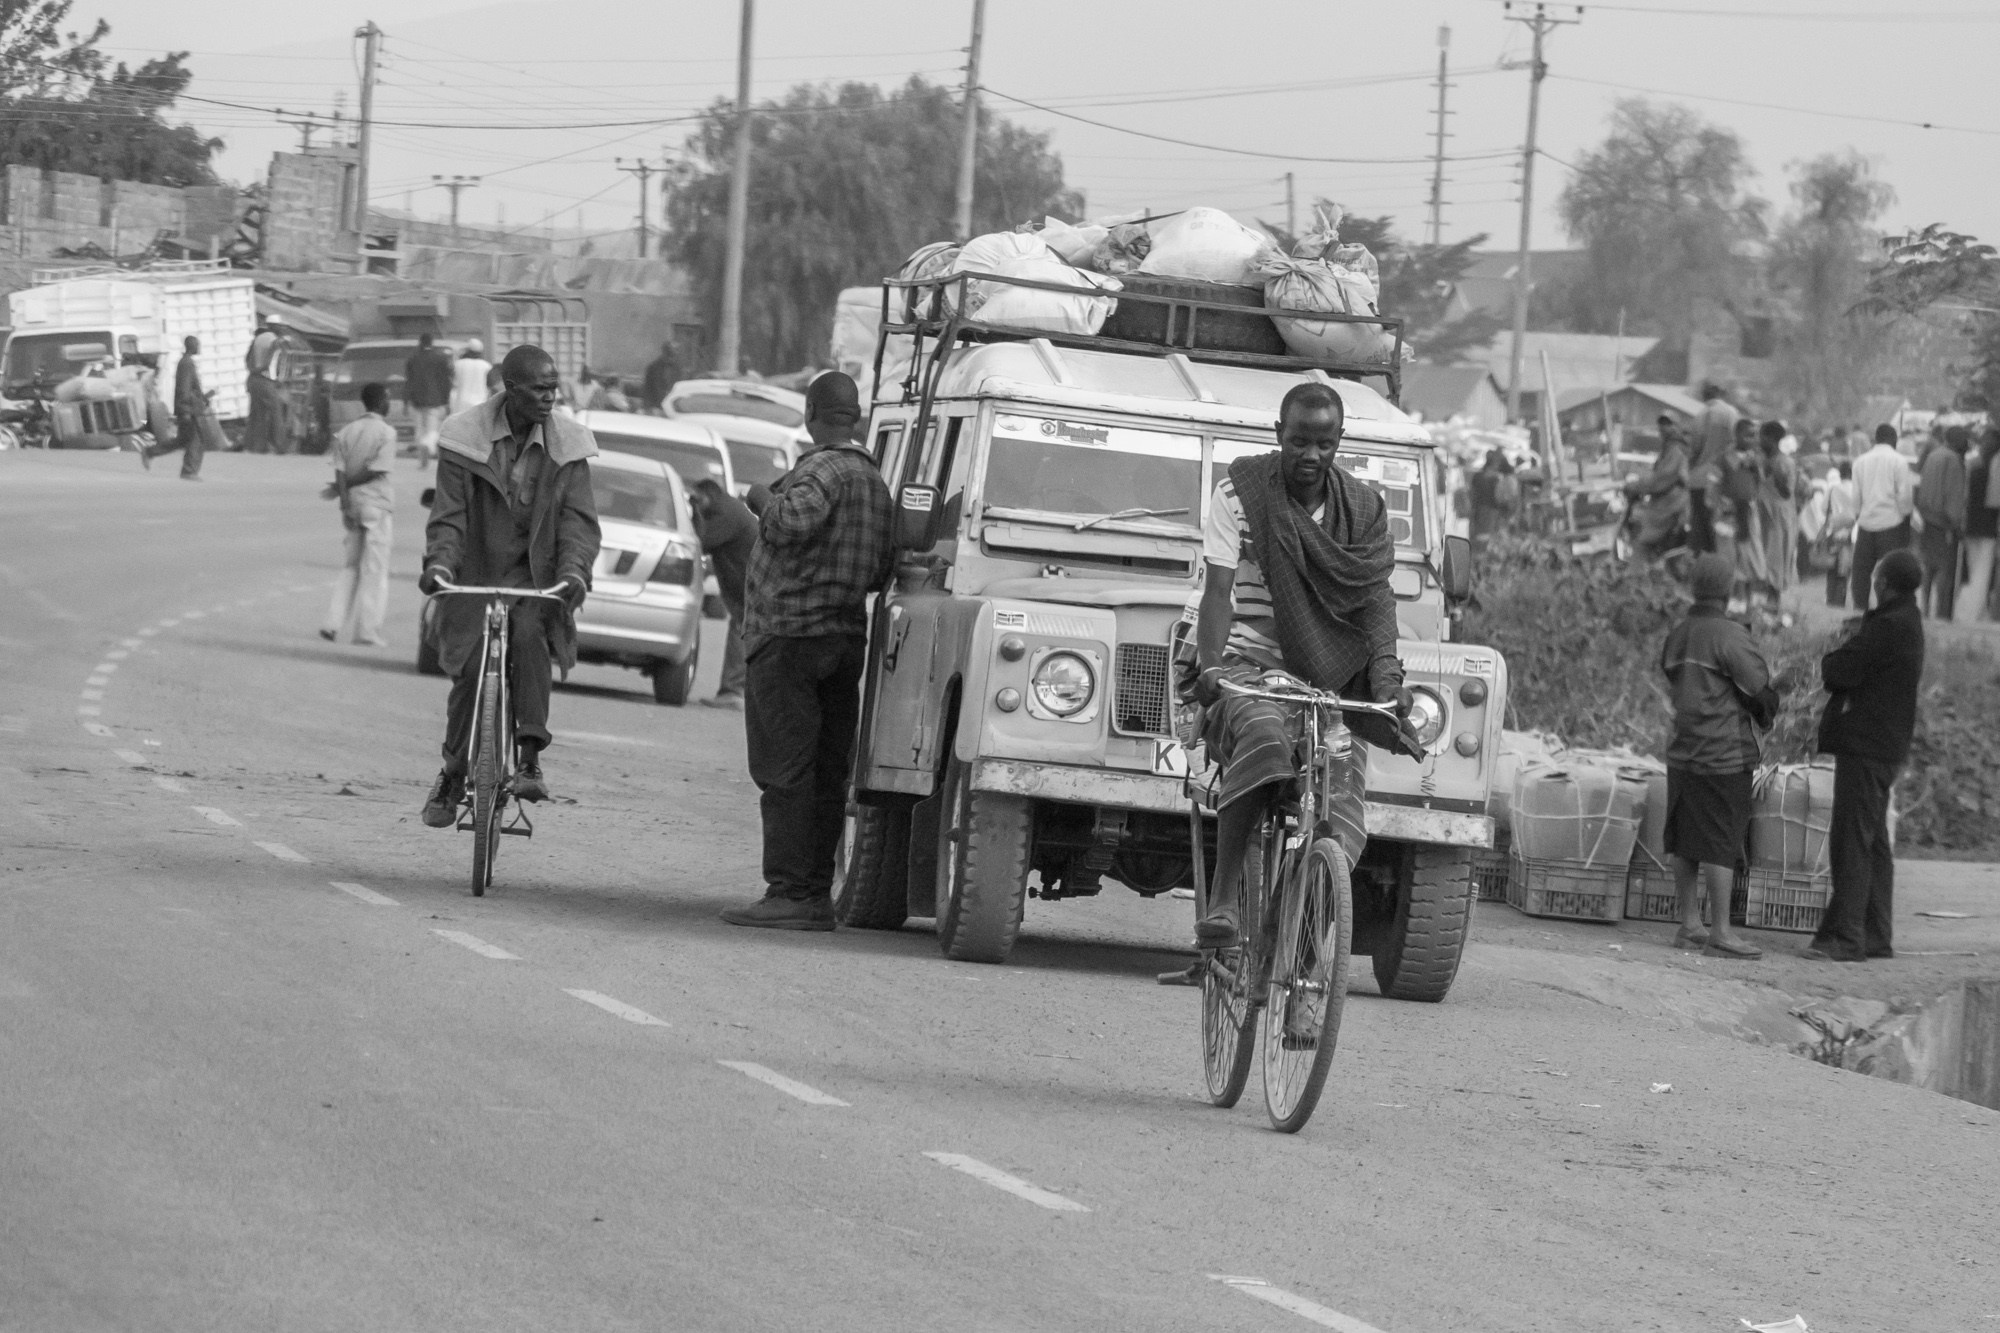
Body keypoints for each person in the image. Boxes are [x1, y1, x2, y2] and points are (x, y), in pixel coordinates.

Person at [1187, 383, 1418, 952]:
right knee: (1263, 737)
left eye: (1324, 443)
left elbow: (1376, 604)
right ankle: (1223, 900)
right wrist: (1211, 667)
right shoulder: (1239, 494)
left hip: (1328, 678)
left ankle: (1300, 949)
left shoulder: (1363, 510)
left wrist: (1387, 682)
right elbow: (1217, 593)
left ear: (1340, 442)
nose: (1311, 455)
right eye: (1298, 442)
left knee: (1343, 815)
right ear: (1279, 435)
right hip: (1248, 664)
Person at [719, 372, 894, 930]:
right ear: (856, 415)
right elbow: (882, 567)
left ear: (811, 411)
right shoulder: (875, 481)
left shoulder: (821, 470)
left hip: (791, 638)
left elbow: (789, 522)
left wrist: (759, 496)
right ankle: (815, 893)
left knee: (785, 769)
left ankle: (790, 893)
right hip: (843, 639)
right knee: (824, 770)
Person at [418, 346, 601, 826]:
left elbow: (578, 524)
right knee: (471, 670)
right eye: (539, 389)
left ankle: (530, 759)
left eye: (553, 388)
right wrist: (440, 566)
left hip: (534, 578)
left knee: (529, 637)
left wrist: (574, 572)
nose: (550, 398)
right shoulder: (464, 438)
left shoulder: (569, 446)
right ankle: (452, 773)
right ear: (510, 388)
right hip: (474, 573)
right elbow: (449, 517)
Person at [1805, 549, 1924, 963]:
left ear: (1884, 584)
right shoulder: (1907, 621)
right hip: (1886, 745)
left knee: (1852, 840)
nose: (1873, 584)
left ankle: (1846, 937)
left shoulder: (1888, 626)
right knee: (1873, 842)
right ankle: (1875, 933)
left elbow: (1839, 671)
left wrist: (1840, 648)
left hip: (1867, 746)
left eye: (1875, 578)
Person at [1659, 553, 1775, 959]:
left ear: (1694, 588)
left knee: (1685, 839)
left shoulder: (1678, 634)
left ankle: (1690, 924)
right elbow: (1758, 687)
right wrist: (1769, 709)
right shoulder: (1730, 636)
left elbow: (1673, 676)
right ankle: (1722, 932)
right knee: (1721, 841)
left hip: (1683, 750)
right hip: (1723, 753)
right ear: (1728, 591)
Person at [319, 382, 397, 646]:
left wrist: (342, 497)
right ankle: (367, 630)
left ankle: (332, 624)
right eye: (387, 398)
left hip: (353, 505)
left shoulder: (347, 431)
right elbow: (376, 471)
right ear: (381, 401)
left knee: (350, 566)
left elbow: (339, 471)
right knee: (375, 570)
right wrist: (346, 486)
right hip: (376, 505)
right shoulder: (387, 433)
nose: (389, 403)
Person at [689, 477, 756, 709]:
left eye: (698, 499)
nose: (695, 503)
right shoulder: (725, 508)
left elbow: (702, 541)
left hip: (749, 582)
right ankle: (736, 689)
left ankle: (733, 690)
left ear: (710, 495)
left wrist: (696, 512)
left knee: (740, 630)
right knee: (742, 630)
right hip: (746, 581)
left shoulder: (726, 514)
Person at [1849, 424, 1916, 610]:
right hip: (1891, 524)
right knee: (1891, 573)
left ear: (1875, 440)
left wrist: (1859, 515)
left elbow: (1855, 497)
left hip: (1866, 524)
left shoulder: (1860, 462)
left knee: (1861, 572)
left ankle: (1860, 609)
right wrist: (1905, 516)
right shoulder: (1899, 462)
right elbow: (1904, 497)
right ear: (1894, 440)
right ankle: (1888, 609)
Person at [138, 335, 211, 480]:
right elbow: (184, 389)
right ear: (191, 346)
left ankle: (151, 452)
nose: (199, 347)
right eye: (197, 344)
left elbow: (191, 388)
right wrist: (186, 410)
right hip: (188, 410)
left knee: (182, 440)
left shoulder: (186, 362)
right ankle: (189, 471)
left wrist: (204, 398)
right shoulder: (187, 364)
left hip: (188, 408)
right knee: (196, 440)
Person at [1915, 424, 1970, 619]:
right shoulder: (1953, 460)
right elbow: (1954, 496)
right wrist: (1957, 526)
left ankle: (1925, 608)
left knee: (1928, 567)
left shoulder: (1934, 455)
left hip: (1927, 519)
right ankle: (1941, 614)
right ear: (1959, 441)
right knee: (1944, 571)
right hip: (1944, 523)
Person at [1622, 415, 1689, 560]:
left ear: (1676, 426)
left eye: (1668, 424)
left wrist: (1636, 486)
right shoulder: (1668, 448)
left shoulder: (1676, 450)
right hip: (1667, 501)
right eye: (1662, 424)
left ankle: (1639, 567)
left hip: (1671, 503)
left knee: (1643, 541)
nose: (1664, 428)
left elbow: (1661, 479)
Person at [1687, 383, 1739, 554]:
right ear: (1721, 393)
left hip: (1700, 481)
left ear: (1704, 395)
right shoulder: (1732, 414)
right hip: (1724, 481)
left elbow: (1694, 450)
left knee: (1700, 531)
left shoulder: (1700, 415)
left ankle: (1701, 564)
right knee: (1722, 531)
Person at [1955, 427, 2000, 624]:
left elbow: (1963, 496)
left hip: (1971, 525)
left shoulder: (1972, 465)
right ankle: (1973, 613)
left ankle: (1970, 611)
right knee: (1982, 572)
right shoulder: (1995, 465)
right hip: (1988, 528)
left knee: (1974, 569)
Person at [403, 333, 454, 466]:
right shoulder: (441, 358)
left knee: (419, 428)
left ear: (420, 342)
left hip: (416, 399)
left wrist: (405, 402)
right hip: (435, 400)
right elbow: (446, 381)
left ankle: (422, 456)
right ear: (432, 343)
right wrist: (447, 401)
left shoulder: (412, 359)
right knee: (432, 429)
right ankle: (428, 446)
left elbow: (408, 381)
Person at [243, 315, 288, 454]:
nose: (282, 328)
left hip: (253, 380)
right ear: (274, 326)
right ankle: (279, 447)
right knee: (276, 414)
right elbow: (273, 363)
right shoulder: (275, 341)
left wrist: (254, 370)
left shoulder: (257, 339)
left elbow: (247, 359)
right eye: (280, 326)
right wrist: (278, 380)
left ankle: (254, 447)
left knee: (257, 414)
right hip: (266, 381)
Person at [1467, 446, 1519, 548]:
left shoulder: (1478, 476)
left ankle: (1477, 552)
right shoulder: (1497, 478)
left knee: (1479, 536)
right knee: (1488, 538)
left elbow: (1472, 493)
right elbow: (1501, 497)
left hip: (1478, 510)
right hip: (1491, 510)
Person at [451, 338, 494, 416]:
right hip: (480, 402)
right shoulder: (486, 366)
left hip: (461, 403)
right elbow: (490, 385)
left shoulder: (458, 364)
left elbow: (453, 382)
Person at [641, 339, 683, 413]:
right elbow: (647, 388)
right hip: (656, 407)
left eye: (674, 355)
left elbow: (679, 387)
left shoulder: (678, 369)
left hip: (673, 407)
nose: (672, 358)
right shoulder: (653, 367)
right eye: (670, 354)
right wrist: (650, 407)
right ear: (664, 353)